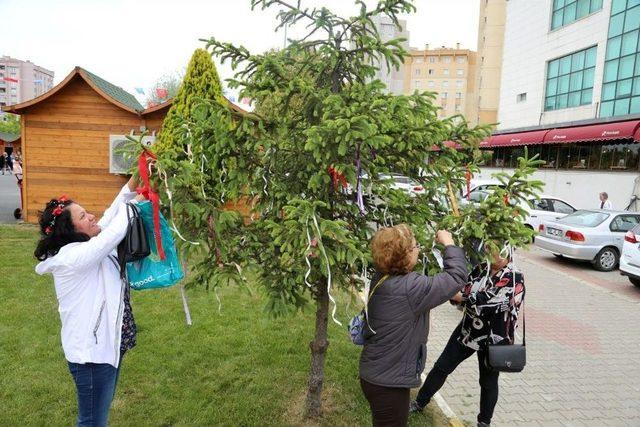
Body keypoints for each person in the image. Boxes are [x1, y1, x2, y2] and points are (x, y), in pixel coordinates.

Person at [34, 176, 145, 426]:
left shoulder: (86, 244)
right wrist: (136, 205)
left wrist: (132, 184)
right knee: (92, 422)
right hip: (92, 356)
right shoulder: (73, 257)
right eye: (83, 217)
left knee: (96, 418)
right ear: (72, 231)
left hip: (108, 347)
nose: (92, 216)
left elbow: (109, 216)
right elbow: (113, 233)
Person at [359, 224, 468, 427]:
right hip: (388, 383)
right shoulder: (411, 288)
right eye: (415, 246)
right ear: (405, 255)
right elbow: (456, 276)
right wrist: (449, 243)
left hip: (376, 374)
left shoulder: (382, 277)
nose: (418, 249)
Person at [410, 248, 525, 427]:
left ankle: (484, 422)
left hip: (494, 339)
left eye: (495, 250)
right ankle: (420, 402)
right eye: (489, 248)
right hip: (468, 331)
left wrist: (461, 298)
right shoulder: (481, 268)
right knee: (442, 367)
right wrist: (457, 296)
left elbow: (489, 303)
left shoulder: (515, 277)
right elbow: (463, 287)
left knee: (487, 382)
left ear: (506, 252)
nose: (490, 253)